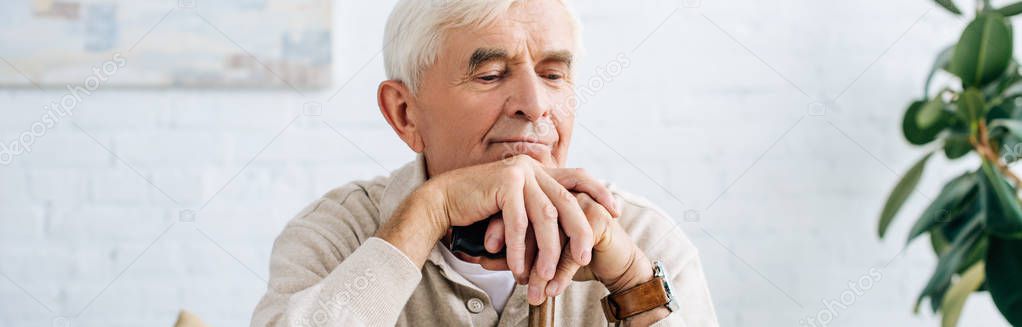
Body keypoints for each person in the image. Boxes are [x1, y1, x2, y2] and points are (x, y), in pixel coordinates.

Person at [251, 0, 718, 326]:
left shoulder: (645, 237)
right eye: (491, 75)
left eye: (554, 75)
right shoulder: (336, 233)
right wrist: (429, 211)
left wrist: (633, 284)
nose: (535, 106)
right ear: (405, 114)